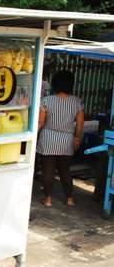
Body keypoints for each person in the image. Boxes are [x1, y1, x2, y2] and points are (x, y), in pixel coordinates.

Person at [37, 70, 84, 207]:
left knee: (48, 170)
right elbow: (80, 124)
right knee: (65, 170)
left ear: (55, 83)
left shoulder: (46, 101)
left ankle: (48, 199)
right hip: (67, 140)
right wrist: (77, 138)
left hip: (48, 139)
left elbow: (40, 123)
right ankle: (70, 199)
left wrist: (34, 138)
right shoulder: (77, 102)